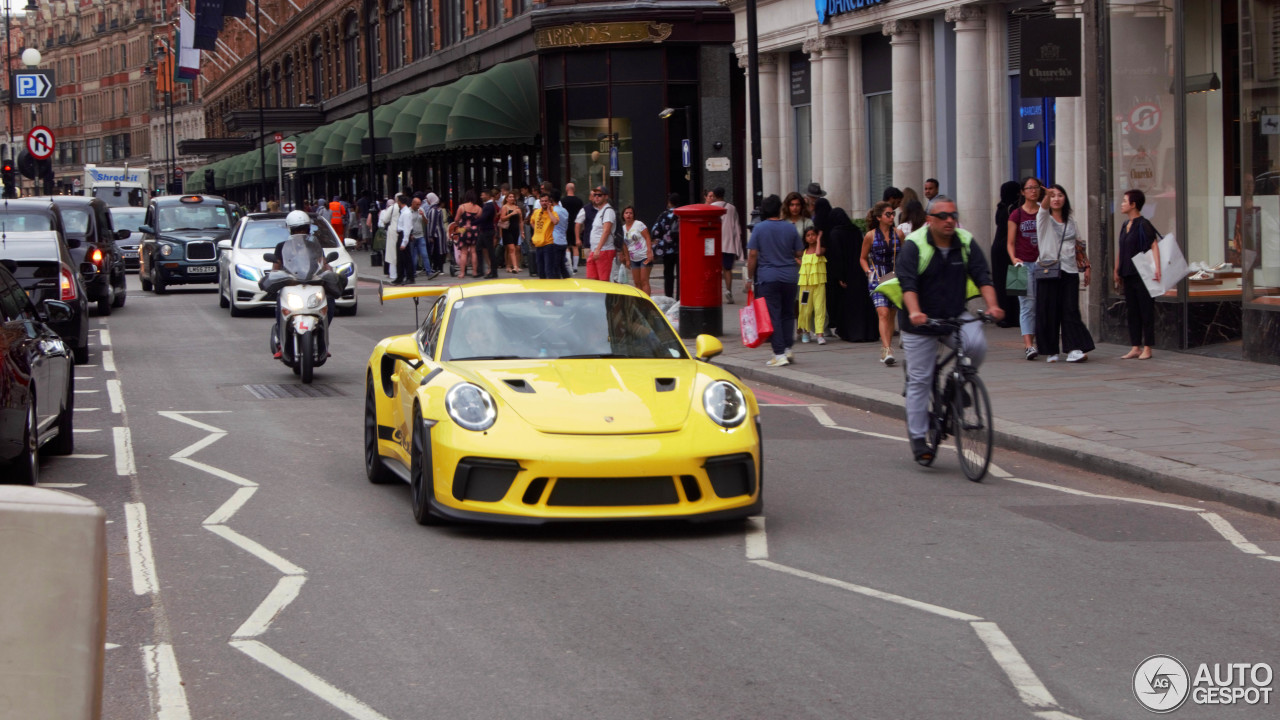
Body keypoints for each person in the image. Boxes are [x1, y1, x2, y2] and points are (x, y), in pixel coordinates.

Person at [896, 197, 1004, 464]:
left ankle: (954, 387)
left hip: (954, 313)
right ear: (930, 220)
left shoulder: (965, 241)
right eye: (943, 216)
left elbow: (982, 275)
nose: (949, 220)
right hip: (919, 319)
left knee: (976, 343)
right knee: (921, 379)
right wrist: (915, 312)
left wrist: (993, 306)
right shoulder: (915, 245)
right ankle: (919, 438)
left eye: (953, 215)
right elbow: (907, 284)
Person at [1034, 184, 1095, 363]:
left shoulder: (1071, 220)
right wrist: (1046, 196)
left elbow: (1079, 244)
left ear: (1065, 199)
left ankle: (1073, 348)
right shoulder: (1043, 218)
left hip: (1070, 270)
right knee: (1049, 311)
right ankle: (1051, 350)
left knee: (1070, 310)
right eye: (1053, 196)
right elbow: (1043, 208)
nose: (1056, 199)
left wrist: (1087, 266)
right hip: (1049, 269)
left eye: (1060, 195)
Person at [747, 195, 804, 367]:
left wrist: (750, 277)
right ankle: (787, 349)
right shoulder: (790, 228)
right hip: (789, 276)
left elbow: (752, 255)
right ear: (780, 209)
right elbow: (799, 253)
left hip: (768, 277)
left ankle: (778, 354)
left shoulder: (759, 228)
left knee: (773, 316)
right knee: (788, 313)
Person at [1115, 188, 1161, 360]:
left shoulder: (1144, 224)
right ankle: (1135, 346)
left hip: (1143, 274)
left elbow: (1154, 245)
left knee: (1146, 311)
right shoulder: (1124, 225)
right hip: (1127, 274)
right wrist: (1116, 269)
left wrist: (1157, 269)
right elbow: (1122, 248)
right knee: (1132, 311)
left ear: (1133, 205)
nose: (1121, 204)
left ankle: (1147, 347)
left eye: (1125, 201)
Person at [861, 201, 905, 365]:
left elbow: (905, 255)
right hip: (877, 278)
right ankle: (887, 349)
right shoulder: (870, 236)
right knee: (883, 313)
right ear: (879, 217)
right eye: (888, 214)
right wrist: (868, 272)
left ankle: (885, 348)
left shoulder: (899, 234)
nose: (892, 216)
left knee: (891, 314)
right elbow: (862, 258)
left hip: (894, 278)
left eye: (893, 214)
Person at [1007, 177, 1043, 360]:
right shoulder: (1016, 214)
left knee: (1039, 303)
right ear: (1022, 192)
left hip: (1042, 263)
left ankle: (1037, 341)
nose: (1033, 191)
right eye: (1029, 188)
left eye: (1036, 187)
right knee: (1026, 304)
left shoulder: (1044, 212)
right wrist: (1014, 259)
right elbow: (1010, 242)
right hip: (1022, 265)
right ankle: (1029, 345)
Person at [990, 181, 1023, 326]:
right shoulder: (1014, 208)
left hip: (998, 249)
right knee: (1016, 283)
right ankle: (1015, 316)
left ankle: (1004, 316)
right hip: (1012, 248)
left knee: (1001, 283)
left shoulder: (1001, 207)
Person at [706, 187, 744, 304]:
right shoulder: (732, 208)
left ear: (715, 196)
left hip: (713, 244)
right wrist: (738, 246)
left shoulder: (710, 208)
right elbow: (737, 228)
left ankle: (713, 291)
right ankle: (728, 291)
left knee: (714, 270)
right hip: (728, 244)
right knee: (727, 269)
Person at [796, 225, 827, 345]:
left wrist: (819, 239)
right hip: (805, 286)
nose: (811, 237)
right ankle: (805, 332)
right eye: (808, 235)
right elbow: (800, 262)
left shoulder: (821, 249)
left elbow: (818, 253)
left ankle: (820, 334)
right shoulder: (803, 252)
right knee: (804, 308)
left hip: (819, 284)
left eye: (813, 235)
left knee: (819, 307)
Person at [650, 194, 680, 298]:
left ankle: (669, 296)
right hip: (681, 249)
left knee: (668, 275)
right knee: (681, 275)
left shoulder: (664, 215)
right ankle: (680, 298)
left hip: (667, 250)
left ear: (669, 203)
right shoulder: (682, 214)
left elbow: (656, 231)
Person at [585, 185, 617, 281]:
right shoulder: (600, 211)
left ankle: (604, 296)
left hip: (604, 250)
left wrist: (598, 249)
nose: (596, 197)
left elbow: (606, 231)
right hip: (595, 250)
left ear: (606, 197)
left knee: (603, 281)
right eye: (595, 195)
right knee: (592, 279)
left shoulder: (608, 211)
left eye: (599, 195)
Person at [621, 206, 654, 295]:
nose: (628, 215)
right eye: (626, 213)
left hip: (644, 256)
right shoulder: (622, 229)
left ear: (634, 215)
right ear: (623, 215)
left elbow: (647, 237)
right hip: (633, 258)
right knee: (637, 282)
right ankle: (640, 301)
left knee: (644, 280)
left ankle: (647, 302)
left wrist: (649, 251)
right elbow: (624, 245)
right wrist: (627, 259)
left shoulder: (639, 224)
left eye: (630, 213)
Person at [529, 191, 560, 280]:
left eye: (546, 201)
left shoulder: (553, 212)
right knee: (540, 269)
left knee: (548, 269)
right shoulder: (537, 212)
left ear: (549, 202)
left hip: (548, 243)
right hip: (538, 244)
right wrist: (538, 231)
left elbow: (555, 221)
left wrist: (549, 210)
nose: (544, 203)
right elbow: (532, 222)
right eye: (542, 201)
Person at [451, 190, 481, 278]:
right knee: (473, 252)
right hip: (474, 230)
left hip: (463, 230)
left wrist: (461, 224)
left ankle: (462, 273)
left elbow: (456, 219)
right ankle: (474, 272)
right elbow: (480, 220)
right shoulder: (479, 208)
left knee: (464, 252)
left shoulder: (462, 207)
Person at [423, 193, 450, 279]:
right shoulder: (438, 209)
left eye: (427, 199)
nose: (427, 201)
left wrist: (430, 235)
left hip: (436, 234)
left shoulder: (433, 210)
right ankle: (438, 268)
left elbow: (433, 223)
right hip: (440, 233)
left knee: (436, 251)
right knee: (439, 251)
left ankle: (437, 268)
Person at [561, 182, 585, 274]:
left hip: (566, 225)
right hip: (576, 225)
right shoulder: (579, 201)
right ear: (574, 189)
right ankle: (575, 267)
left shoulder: (563, 201)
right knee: (575, 246)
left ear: (567, 189)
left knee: (566, 246)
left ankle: (569, 266)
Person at [475, 189, 498, 278]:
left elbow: (483, 218)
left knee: (490, 251)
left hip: (487, 231)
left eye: (483, 195)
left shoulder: (489, 206)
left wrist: (473, 223)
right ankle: (481, 270)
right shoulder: (488, 205)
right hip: (484, 230)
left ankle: (493, 271)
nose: (481, 197)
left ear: (488, 195)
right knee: (479, 248)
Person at [394, 194, 416, 285]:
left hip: (403, 235)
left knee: (406, 258)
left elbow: (407, 228)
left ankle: (410, 277)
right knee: (400, 258)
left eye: (397, 201)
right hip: (401, 234)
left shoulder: (406, 213)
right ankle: (400, 276)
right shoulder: (403, 212)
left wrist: (404, 242)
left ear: (399, 202)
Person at [500, 192, 523, 273]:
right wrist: (511, 214)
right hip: (507, 230)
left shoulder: (517, 208)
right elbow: (502, 218)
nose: (512, 198)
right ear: (506, 198)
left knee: (516, 248)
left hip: (516, 230)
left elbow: (520, 221)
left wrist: (522, 232)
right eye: (510, 197)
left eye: (513, 197)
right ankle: (515, 266)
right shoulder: (505, 207)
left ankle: (509, 266)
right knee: (511, 248)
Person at [550, 189, 570, 280]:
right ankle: (568, 281)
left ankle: (557, 284)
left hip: (554, 239)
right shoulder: (565, 211)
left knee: (555, 266)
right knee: (562, 265)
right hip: (563, 240)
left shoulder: (552, 211)